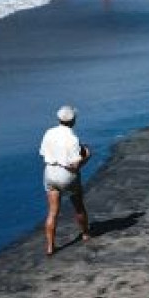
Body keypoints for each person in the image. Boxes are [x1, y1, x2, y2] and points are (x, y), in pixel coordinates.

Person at [39, 105, 92, 255]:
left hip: (50, 172)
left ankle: (50, 246)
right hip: (66, 175)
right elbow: (75, 165)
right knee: (78, 206)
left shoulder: (49, 132)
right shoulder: (72, 138)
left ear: (59, 119)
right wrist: (87, 156)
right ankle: (85, 233)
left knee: (53, 211)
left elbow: (43, 154)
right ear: (73, 120)